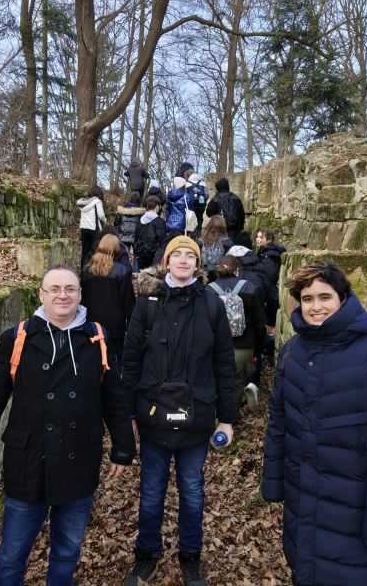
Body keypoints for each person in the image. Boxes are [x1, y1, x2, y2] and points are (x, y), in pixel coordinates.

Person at [0, 265, 135, 586]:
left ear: (80, 294)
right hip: (28, 463)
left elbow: (114, 398)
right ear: (42, 295)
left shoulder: (97, 337)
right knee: (12, 555)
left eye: (70, 288)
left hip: (79, 462)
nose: (63, 295)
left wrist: (122, 448)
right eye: (55, 289)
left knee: (67, 552)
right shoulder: (18, 338)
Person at [261, 263, 367, 586]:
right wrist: (273, 484)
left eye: (325, 297)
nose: (315, 306)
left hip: (357, 522)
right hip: (303, 517)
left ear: (343, 299)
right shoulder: (291, 354)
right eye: (307, 299)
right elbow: (279, 425)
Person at [122, 235, 238, 586]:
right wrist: (128, 414)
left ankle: (190, 556)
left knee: (191, 491)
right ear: (167, 261)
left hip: (196, 418)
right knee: (151, 492)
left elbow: (224, 363)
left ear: (198, 264)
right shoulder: (146, 304)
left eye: (191, 255)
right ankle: (147, 555)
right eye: (178, 255)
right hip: (153, 415)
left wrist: (227, 418)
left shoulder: (212, 304)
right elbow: (130, 361)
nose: (184, 260)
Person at [209, 255, 266, 413]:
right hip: (244, 345)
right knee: (238, 380)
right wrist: (258, 349)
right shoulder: (250, 287)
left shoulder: (208, 290)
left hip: (217, 345)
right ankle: (231, 415)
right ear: (238, 270)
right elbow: (259, 323)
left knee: (217, 378)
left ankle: (216, 414)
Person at [81, 234, 136, 366]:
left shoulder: (88, 270)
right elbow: (128, 301)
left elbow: (84, 298)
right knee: (115, 360)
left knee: (93, 358)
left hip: (92, 322)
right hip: (115, 325)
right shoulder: (121, 271)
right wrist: (132, 322)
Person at [254, 228, 286, 362]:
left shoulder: (270, 256)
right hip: (268, 293)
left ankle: (269, 353)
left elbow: (269, 278)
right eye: (257, 237)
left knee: (270, 327)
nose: (257, 239)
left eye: (261, 237)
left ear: (268, 240)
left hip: (269, 295)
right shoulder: (264, 253)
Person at [205, 177, 245, 242]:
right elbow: (242, 214)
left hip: (220, 229)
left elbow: (208, 213)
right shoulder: (236, 197)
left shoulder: (216, 198)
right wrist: (241, 228)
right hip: (235, 230)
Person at [134, 196, 167, 270]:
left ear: (147, 207)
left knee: (142, 274)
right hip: (154, 256)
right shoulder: (160, 221)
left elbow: (136, 238)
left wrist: (137, 251)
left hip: (141, 254)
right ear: (157, 207)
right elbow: (163, 240)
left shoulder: (140, 220)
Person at [77, 185, 106, 270]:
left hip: (84, 229)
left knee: (84, 252)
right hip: (94, 229)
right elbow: (101, 215)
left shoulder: (83, 203)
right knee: (95, 252)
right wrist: (105, 220)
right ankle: (92, 272)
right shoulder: (97, 201)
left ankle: (83, 272)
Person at [114, 193, 145, 270]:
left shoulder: (122, 211)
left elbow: (116, 223)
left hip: (123, 236)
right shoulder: (140, 213)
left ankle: (125, 271)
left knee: (125, 255)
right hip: (136, 237)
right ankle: (135, 272)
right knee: (136, 256)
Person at [199, 215, 233, 281]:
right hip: (221, 277)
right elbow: (231, 262)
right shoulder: (227, 242)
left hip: (203, 277)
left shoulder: (200, 242)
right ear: (223, 226)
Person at [184, 169, 207, 236]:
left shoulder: (187, 184)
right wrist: (203, 200)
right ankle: (199, 231)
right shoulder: (202, 183)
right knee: (200, 217)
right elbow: (206, 194)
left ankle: (192, 234)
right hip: (201, 203)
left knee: (192, 218)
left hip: (191, 204)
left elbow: (185, 195)